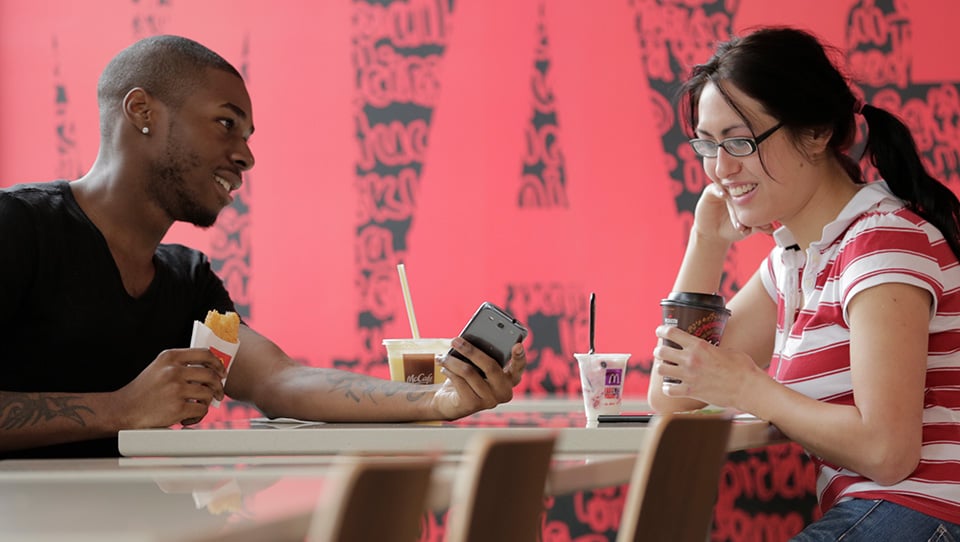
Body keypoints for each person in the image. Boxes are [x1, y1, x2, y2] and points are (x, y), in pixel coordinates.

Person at [0, 35, 526, 459]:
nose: (246, 156)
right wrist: (119, 409)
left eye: (248, 135)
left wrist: (439, 398)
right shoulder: (18, 227)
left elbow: (282, 381)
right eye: (226, 123)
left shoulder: (186, 280)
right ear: (142, 110)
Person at [648, 26, 960, 540]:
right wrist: (706, 241)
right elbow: (674, 393)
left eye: (740, 141)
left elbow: (887, 452)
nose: (720, 169)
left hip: (925, 514)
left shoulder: (881, 241)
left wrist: (749, 387)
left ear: (815, 133)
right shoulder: (796, 260)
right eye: (708, 144)